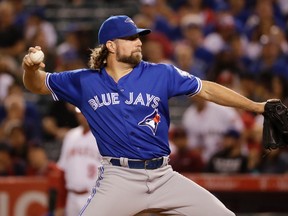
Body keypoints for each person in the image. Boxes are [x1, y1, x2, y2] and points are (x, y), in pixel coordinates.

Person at [22, 15, 266, 216]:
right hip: (119, 178)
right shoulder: (84, 81)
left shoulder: (161, 74)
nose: (138, 42)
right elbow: (38, 85)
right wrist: (30, 69)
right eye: (130, 38)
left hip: (163, 176)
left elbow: (207, 89)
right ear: (111, 45)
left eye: (138, 37)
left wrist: (257, 107)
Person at [57, 107, 102, 216]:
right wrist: (60, 204)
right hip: (71, 196)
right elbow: (63, 171)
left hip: (92, 196)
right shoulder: (70, 136)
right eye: (79, 113)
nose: (82, 116)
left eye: (84, 113)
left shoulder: (101, 136)